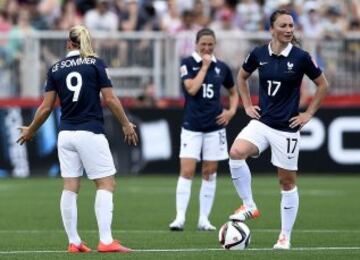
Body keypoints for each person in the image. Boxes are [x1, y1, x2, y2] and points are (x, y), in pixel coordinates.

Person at [17, 25, 138, 253]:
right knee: (105, 184)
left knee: (70, 187)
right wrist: (124, 123)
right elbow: (110, 99)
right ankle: (106, 240)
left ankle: (74, 242)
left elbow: (45, 108)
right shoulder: (95, 63)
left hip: (66, 134)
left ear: (68, 43)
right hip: (89, 131)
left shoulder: (56, 68)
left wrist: (31, 129)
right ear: (84, 42)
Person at [228, 9, 329, 249]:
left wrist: (309, 113)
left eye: (291, 26)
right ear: (271, 28)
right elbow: (241, 77)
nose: (288, 30)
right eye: (283, 26)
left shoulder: (302, 57)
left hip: (286, 129)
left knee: (286, 182)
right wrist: (247, 105)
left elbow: (323, 85)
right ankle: (249, 205)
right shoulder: (258, 53)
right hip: (262, 123)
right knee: (235, 152)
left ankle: (285, 236)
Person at [169, 28, 239, 231]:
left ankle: (203, 219)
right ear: (196, 44)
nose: (207, 48)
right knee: (187, 170)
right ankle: (179, 218)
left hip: (214, 126)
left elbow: (233, 93)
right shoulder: (187, 63)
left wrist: (231, 111)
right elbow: (191, 89)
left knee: (210, 172)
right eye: (203, 45)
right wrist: (204, 68)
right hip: (192, 125)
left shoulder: (222, 67)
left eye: (210, 45)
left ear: (214, 45)